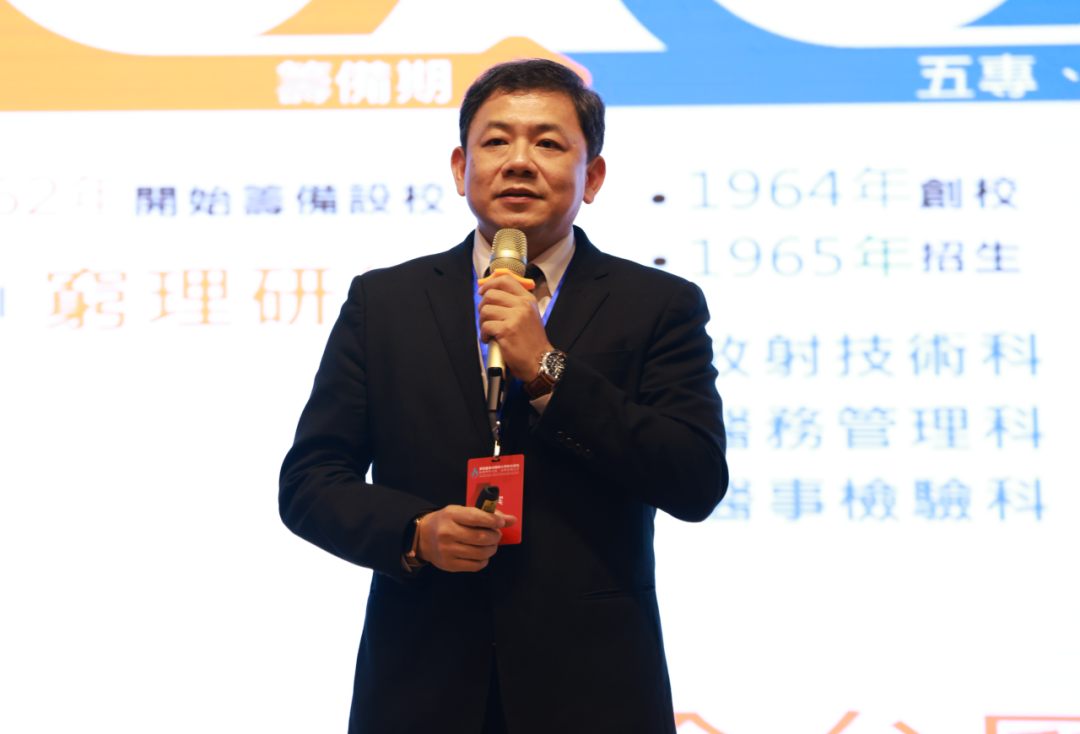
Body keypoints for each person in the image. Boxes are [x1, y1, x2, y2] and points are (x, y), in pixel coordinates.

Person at [279, 58, 728, 734]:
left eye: (547, 142)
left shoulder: (657, 306)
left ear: (593, 177)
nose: (519, 161)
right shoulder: (385, 302)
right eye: (496, 141)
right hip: (420, 687)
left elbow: (694, 480)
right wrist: (415, 533)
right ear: (461, 168)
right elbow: (310, 483)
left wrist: (545, 369)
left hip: (594, 692)